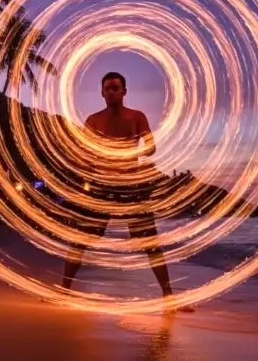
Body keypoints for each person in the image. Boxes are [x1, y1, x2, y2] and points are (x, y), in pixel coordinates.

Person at [60, 72, 192, 312]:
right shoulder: (93, 121)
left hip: (131, 187)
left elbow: (151, 147)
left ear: (124, 92)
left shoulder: (137, 117)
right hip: (102, 187)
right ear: (101, 93)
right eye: (107, 88)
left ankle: (169, 298)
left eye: (116, 87)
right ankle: (64, 292)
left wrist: (131, 153)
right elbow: (84, 154)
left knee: (151, 244)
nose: (111, 91)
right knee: (80, 241)